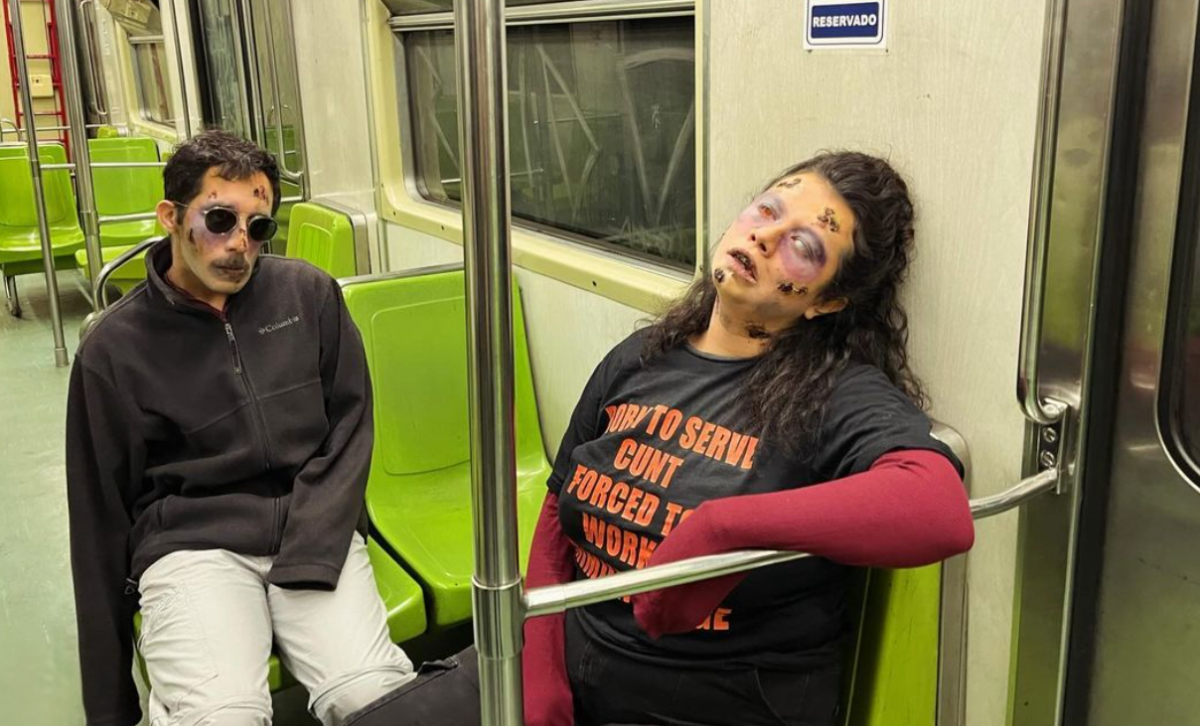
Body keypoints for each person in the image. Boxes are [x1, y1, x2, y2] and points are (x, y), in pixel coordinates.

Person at [518, 151, 975, 726]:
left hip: (713, 702)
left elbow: (937, 507)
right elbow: (558, 506)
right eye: (767, 209)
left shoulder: (833, 393)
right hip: (570, 677)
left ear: (827, 301)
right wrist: (539, 679)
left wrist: (722, 529)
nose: (765, 236)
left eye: (804, 246)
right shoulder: (638, 359)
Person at [66, 130, 415, 726]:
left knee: (370, 697)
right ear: (170, 217)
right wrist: (109, 707)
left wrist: (313, 544)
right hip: (192, 547)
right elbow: (98, 520)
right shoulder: (113, 351)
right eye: (220, 219)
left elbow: (350, 428)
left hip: (312, 531)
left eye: (258, 227)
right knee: (222, 715)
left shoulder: (309, 296)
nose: (238, 246)